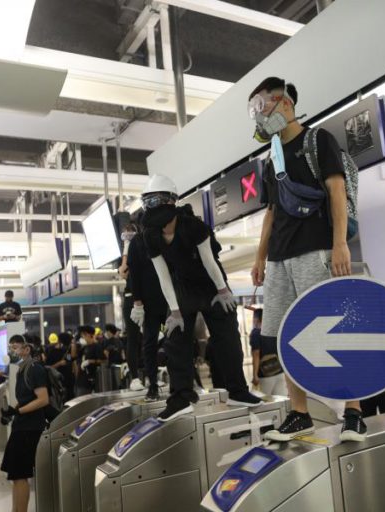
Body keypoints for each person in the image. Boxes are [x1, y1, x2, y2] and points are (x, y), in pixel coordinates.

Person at [244, 77, 364, 442]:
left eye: (261, 106)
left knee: (335, 330)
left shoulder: (317, 140)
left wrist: (340, 243)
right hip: (280, 258)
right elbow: (270, 211)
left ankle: (354, 411)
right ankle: (299, 413)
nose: (258, 116)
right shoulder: (271, 157)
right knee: (283, 338)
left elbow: (336, 190)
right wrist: (260, 257)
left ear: (285, 104)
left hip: (317, 249)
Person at [140, 173, 262, 421]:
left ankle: (238, 390)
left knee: (226, 336)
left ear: (171, 201)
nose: (151, 207)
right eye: (147, 201)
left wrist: (223, 290)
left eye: (156, 200)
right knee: (175, 339)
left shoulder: (193, 226)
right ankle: (181, 397)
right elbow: (163, 275)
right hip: (183, 287)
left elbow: (209, 261)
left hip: (212, 285)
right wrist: (174, 310)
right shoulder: (150, 235)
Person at [0, 334, 49, 512]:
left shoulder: (34, 369)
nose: (12, 351)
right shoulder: (22, 369)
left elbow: (43, 399)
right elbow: (28, 397)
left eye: (15, 347)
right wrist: (12, 411)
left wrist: (18, 411)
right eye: (11, 347)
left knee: (20, 474)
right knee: (16, 475)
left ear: (27, 349)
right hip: (22, 426)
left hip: (30, 429)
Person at [127, 219, 169, 402]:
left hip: (168, 300)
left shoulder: (164, 236)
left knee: (174, 340)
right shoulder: (137, 242)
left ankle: (181, 383)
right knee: (150, 343)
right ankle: (152, 384)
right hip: (151, 302)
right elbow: (133, 274)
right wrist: (137, 302)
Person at [119, 223, 147, 393]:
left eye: (130, 234)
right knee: (133, 338)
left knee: (153, 335)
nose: (128, 236)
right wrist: (126, 248)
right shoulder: (124, 255)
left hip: (147, 299)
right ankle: (135, 378)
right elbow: (124, 271)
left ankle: (151, 375)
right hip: (131, 300)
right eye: (125, 235)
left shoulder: (144, 249)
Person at [249, 308, 286, 396]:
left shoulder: (256, 333)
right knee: (281, 401)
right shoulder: (274, 331)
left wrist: (255, 375)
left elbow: (256, 354)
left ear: (256, 319)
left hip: (265, 374)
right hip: (280, 371)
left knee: (265, 404)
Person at [45, 332, 74, 401]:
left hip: (68, 381)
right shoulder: (52, 352)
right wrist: (59, 364)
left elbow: (70, 361)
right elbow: (47, 367)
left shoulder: (68, 352)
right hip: (58, 381)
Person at [78, 325, 105, 394]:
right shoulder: (84, 347)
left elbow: (104, 360)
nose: (82, 338)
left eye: (83, 335)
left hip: (91, 381)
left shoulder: (96, 346)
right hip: (81, 381)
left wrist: (90, 361)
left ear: (88, 334)